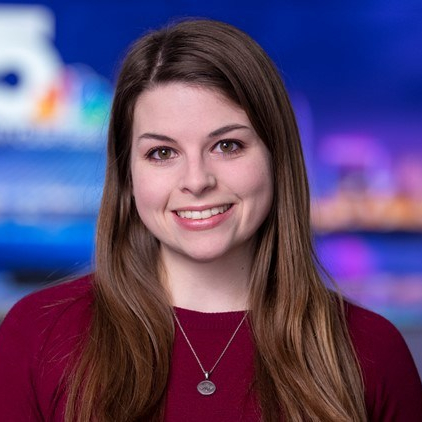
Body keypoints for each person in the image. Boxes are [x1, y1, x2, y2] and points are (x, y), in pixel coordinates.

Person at [0, 18, 421, 422]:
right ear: (128, 175)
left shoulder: (372, 351)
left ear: (277, 158)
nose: (197, 181)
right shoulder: (36, 334)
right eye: (162, 153)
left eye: (227, 145)